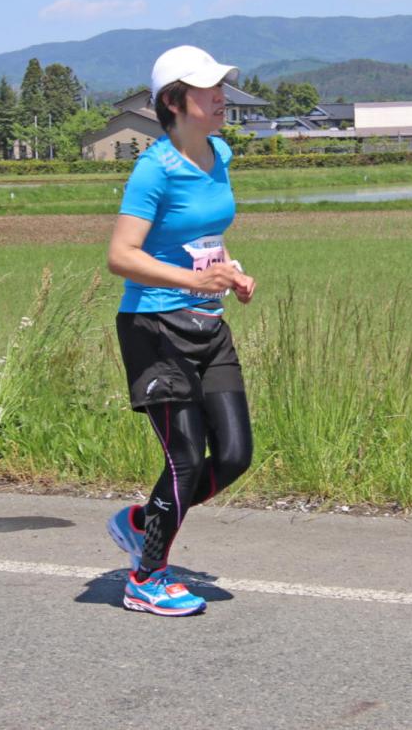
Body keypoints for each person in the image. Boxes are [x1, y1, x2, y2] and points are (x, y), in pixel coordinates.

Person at [105, 45, 257, 617]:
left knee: (234, 455)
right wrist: (194, 281)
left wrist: (229, 271)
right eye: (207, 89)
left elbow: (206, 237)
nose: (221, 97)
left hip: (207, 324)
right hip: (155, 327)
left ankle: (145, 522)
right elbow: (121, 256)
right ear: (173, 101)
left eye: (221, 86)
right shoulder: (154, 169)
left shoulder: (220, 154)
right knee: (186, 459)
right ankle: (146, 578)